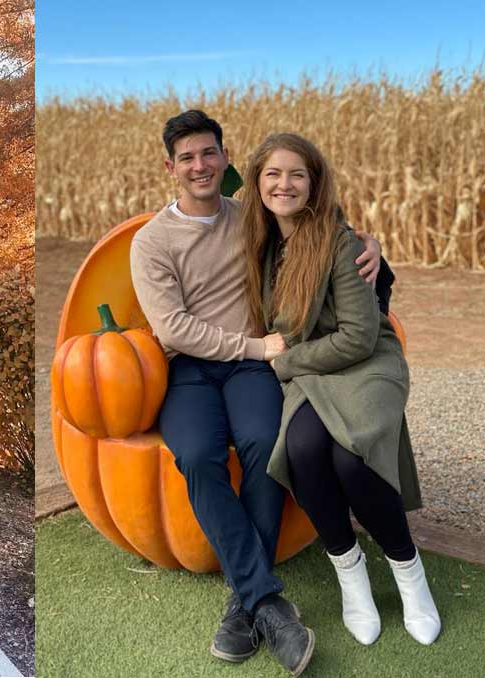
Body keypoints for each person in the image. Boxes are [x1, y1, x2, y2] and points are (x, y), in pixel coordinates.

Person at [130, 110, 383, 677]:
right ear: (170, 167)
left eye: (209, 154)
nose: (200, 166)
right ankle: (266, 601)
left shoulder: (252, 220)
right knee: (196, 455)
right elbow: (173, 331)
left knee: (266, 443)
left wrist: (370, 245)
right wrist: (259, 349)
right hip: (194, 369)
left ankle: (245, 603)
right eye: (187, 158)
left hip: (250, 368)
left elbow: (317, 227)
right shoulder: (151, 242)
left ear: (225, 160)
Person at [240, 132, 440, 647]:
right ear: (257, 182)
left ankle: (408, 572)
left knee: (354, 458)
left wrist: (285, 360)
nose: (284, 184)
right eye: (273, 174)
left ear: (314, 183)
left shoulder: (339, 240)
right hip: (313, 370)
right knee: (304, 450)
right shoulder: (260, 242)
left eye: (297, 174)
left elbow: (359, 336)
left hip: (366, 363)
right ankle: (351, 576)